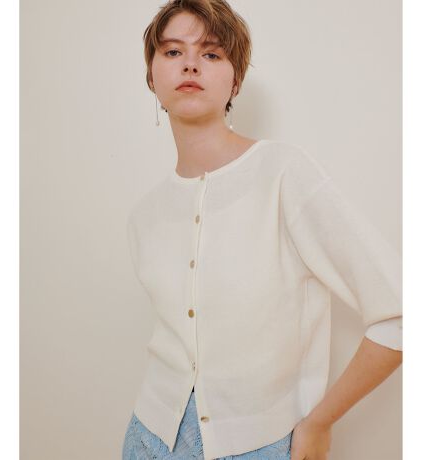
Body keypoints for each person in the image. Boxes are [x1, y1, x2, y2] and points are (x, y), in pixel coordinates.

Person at [123, 1, 403, 459]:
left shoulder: (284, 174)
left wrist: (320, 422)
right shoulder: (144, 216)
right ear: (152, 77)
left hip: (260, 446)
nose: (190, 63)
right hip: (147, 438)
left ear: (235, 81)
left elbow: (400, 312)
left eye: (211, 53)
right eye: (172, 52)